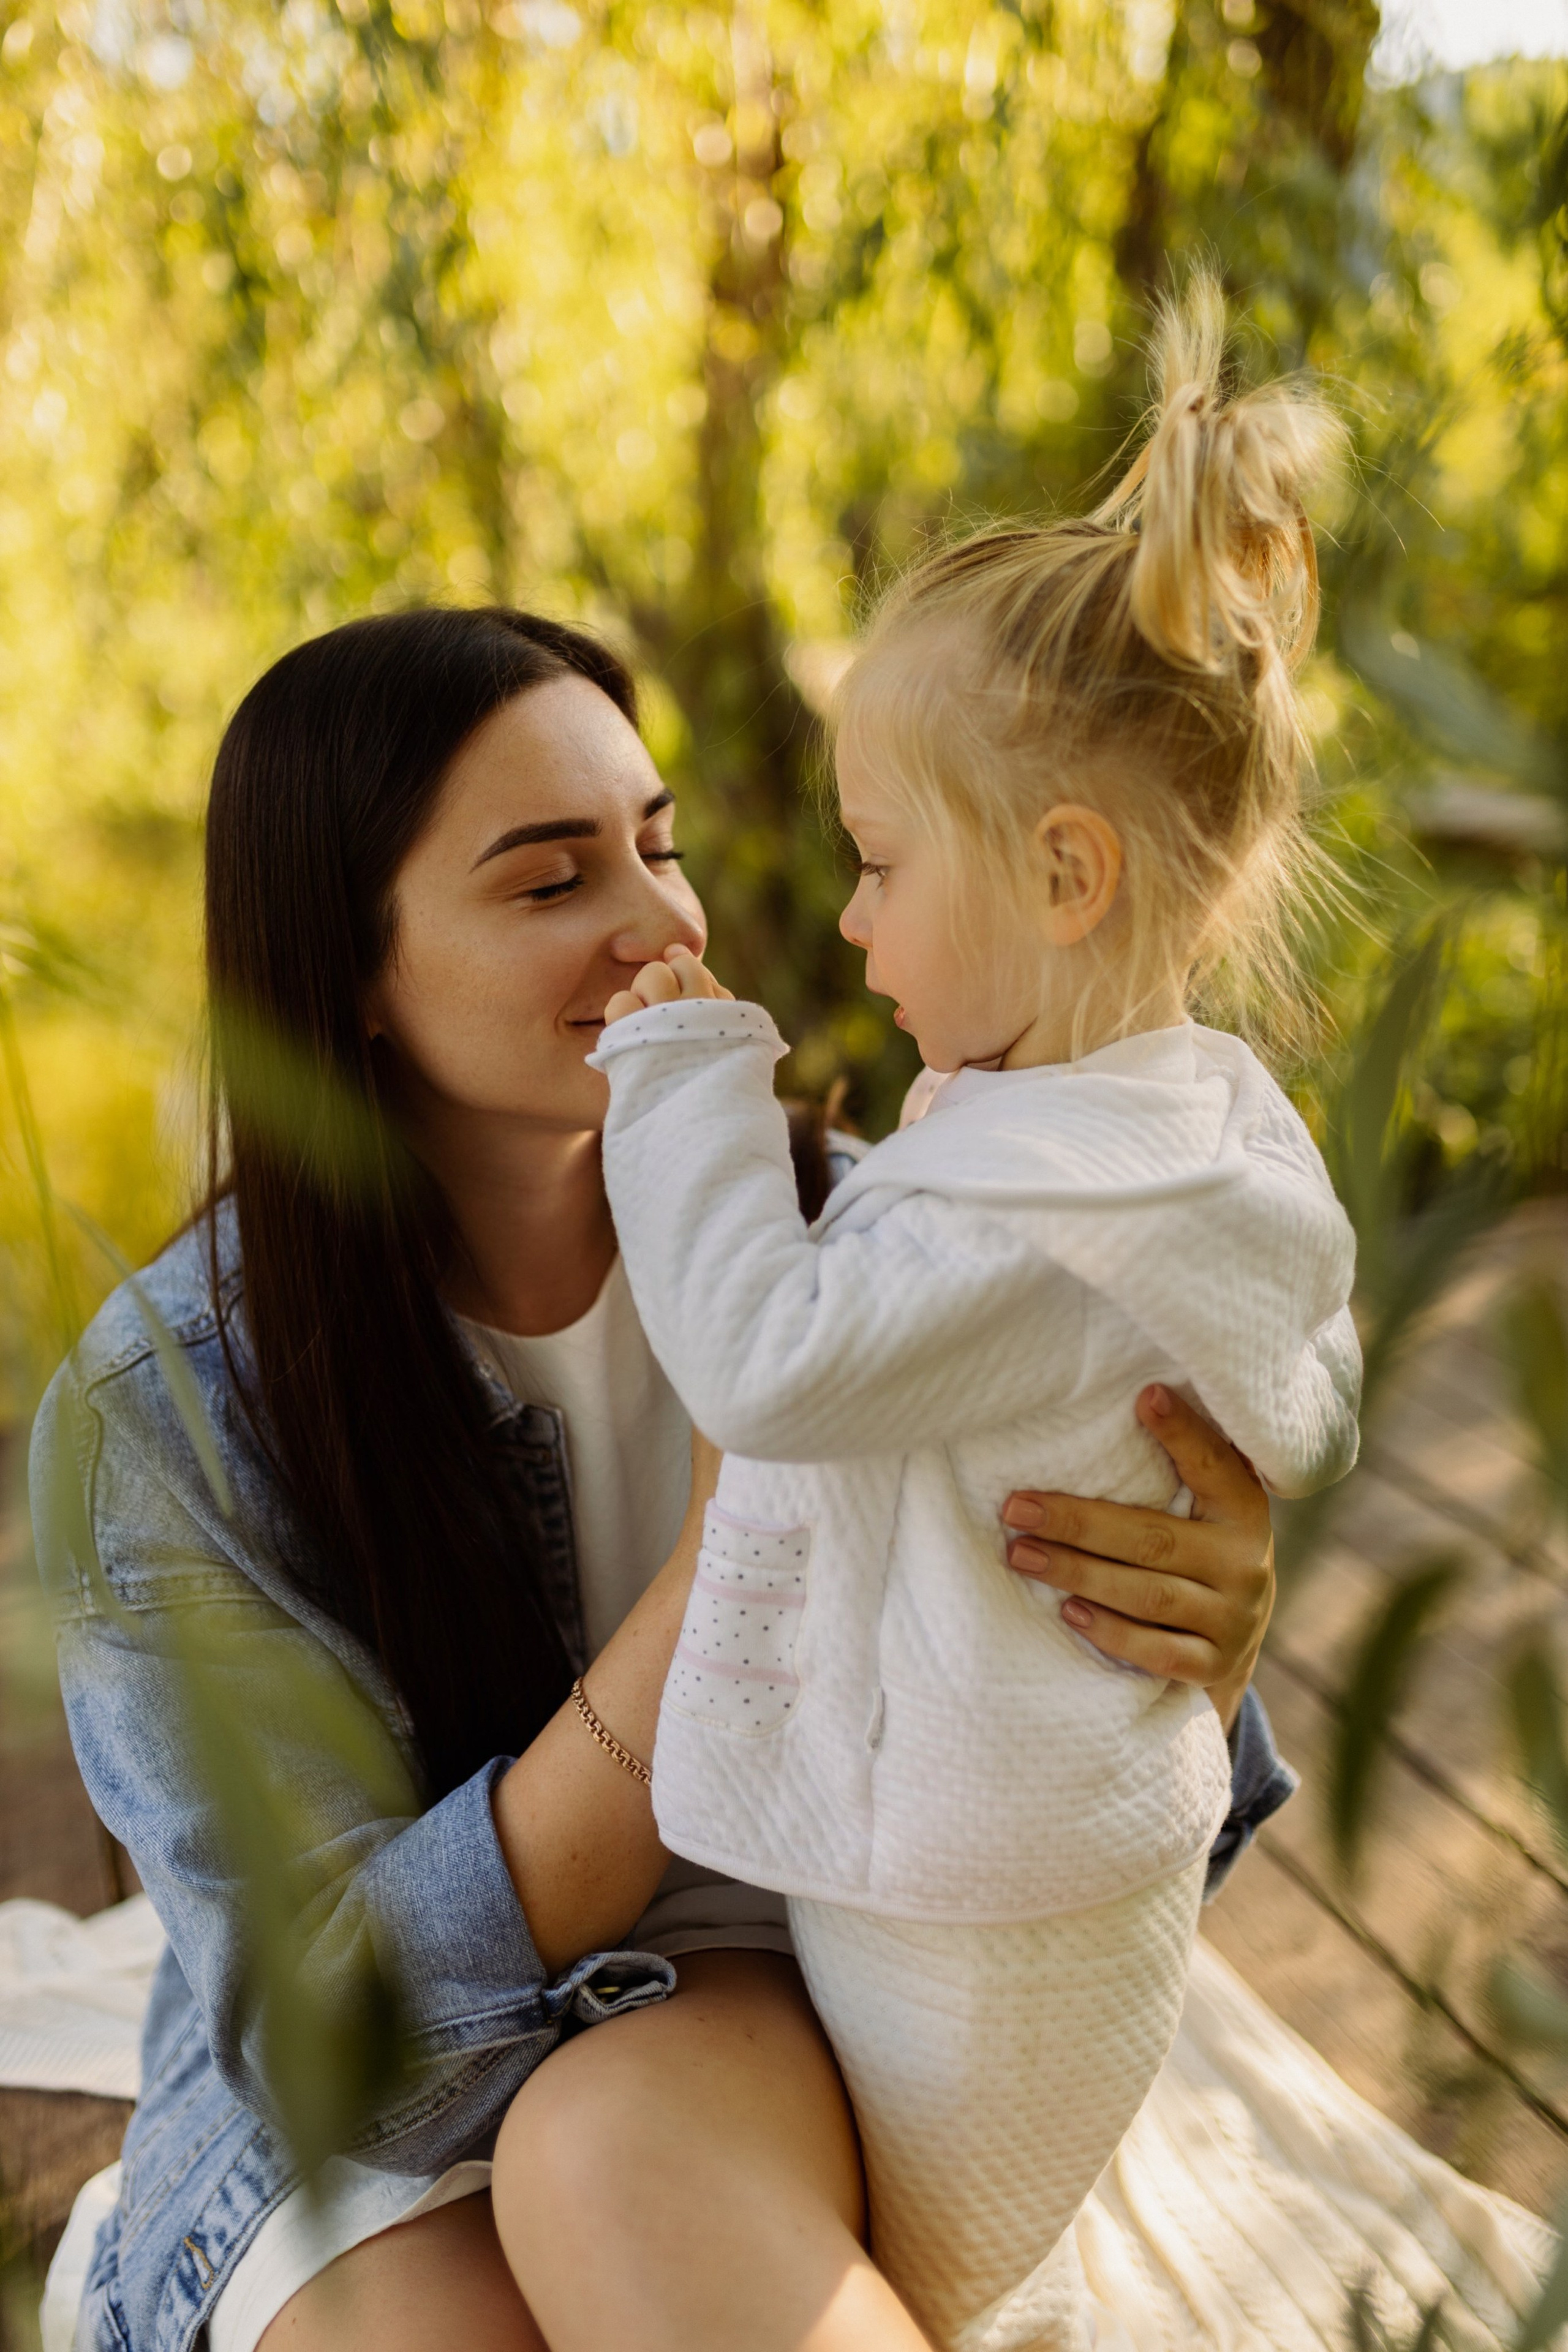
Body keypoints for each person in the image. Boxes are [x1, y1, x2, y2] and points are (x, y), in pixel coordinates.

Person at [31, 600, 1289, 2352]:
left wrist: (1201, 1643)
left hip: (764, 1987)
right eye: (553, 882)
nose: (662, 926)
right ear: (350, 973)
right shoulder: (169, 1411)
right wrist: (726, 1570)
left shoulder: (892, 1241)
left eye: (660, 847)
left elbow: (1139, 1803)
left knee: (613, 2151)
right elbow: (343, 2043)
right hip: (377, 2092)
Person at [585, 278, 1360, 2350]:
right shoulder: (1179, 1133)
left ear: (1067, 876)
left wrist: (683, 1078)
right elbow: (1311, 1388)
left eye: (877, 862)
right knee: (931, 2270)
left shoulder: (1038, 1215)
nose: (846, 923)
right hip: (1066, 1855)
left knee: (932, 2284)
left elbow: (771, 1361)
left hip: (979, 1894)